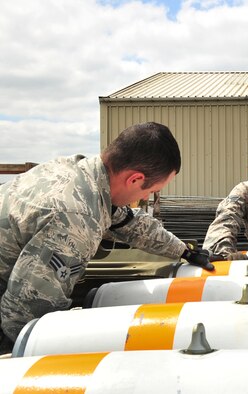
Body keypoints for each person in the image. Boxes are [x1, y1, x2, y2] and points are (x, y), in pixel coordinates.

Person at [0, 122, 214, 353]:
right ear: (134, 179)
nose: (146, 197)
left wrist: (184, 251)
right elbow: (25, 316)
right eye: (150, 191)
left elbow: (129, 223)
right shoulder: (77, 219)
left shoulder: (81, 174)